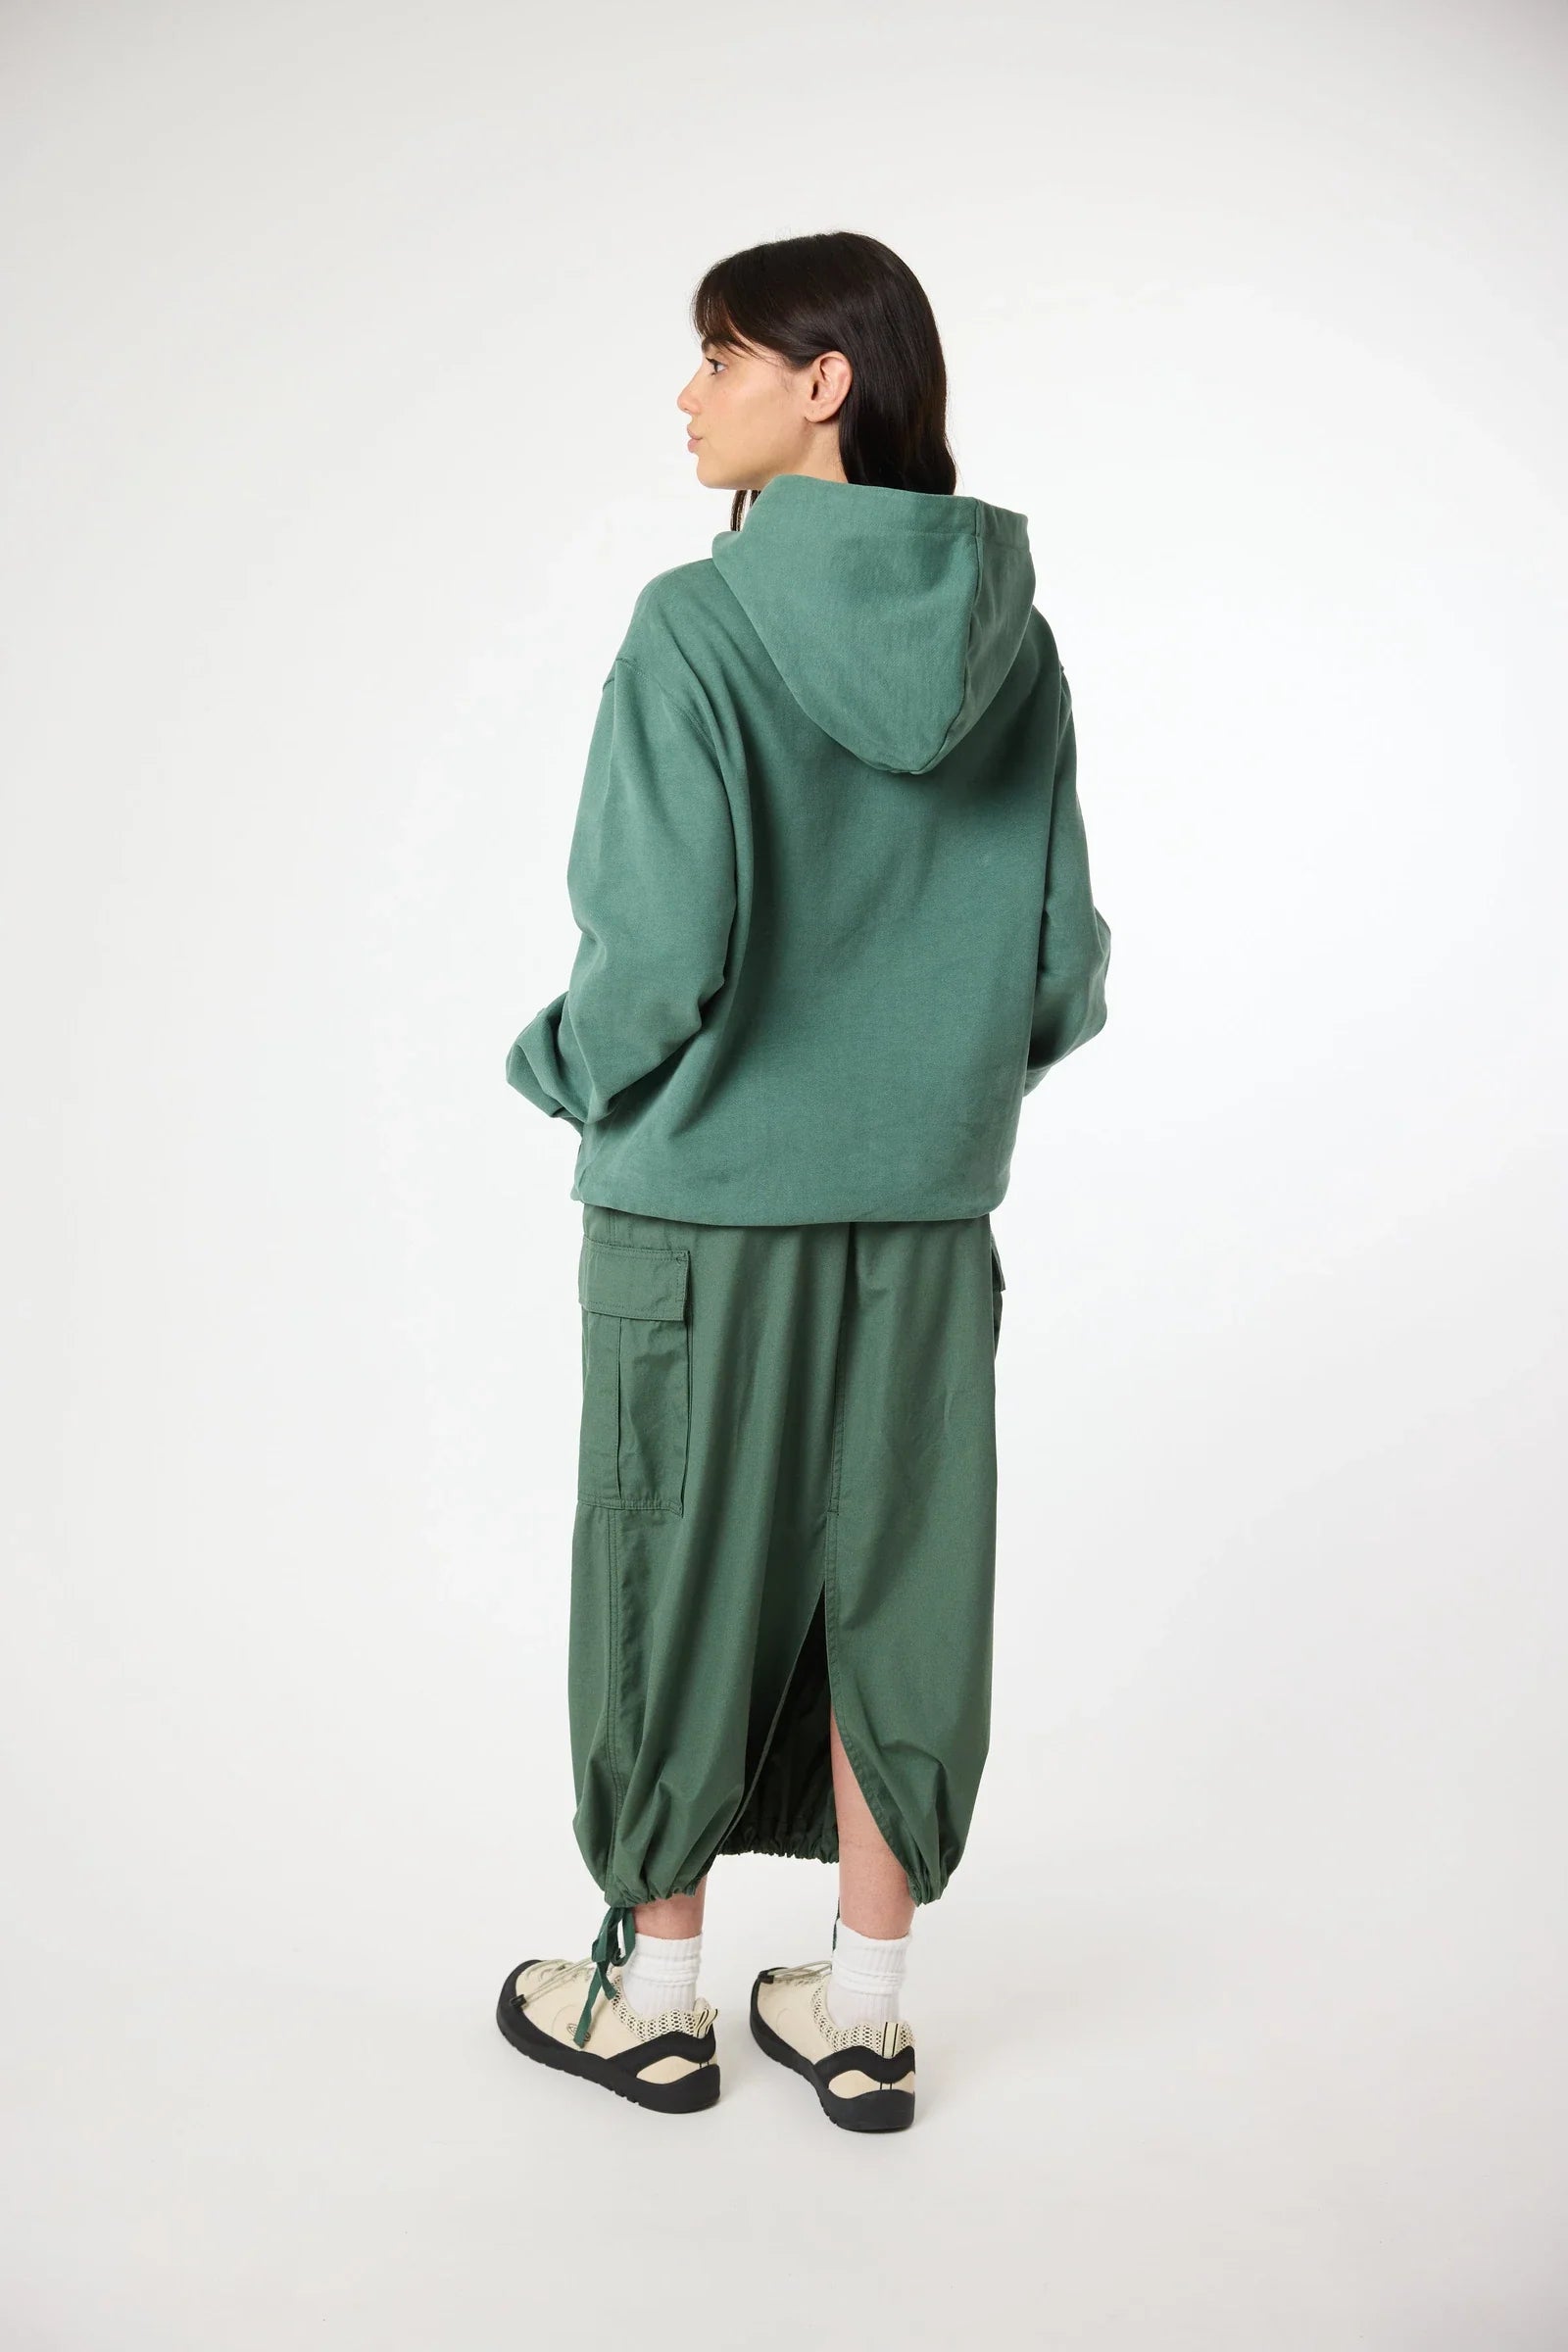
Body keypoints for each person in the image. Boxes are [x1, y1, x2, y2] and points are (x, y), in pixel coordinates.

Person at [494, 229, 1111, 2132]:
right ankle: (862, 2010)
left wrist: (560, 1069)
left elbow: (656, 957)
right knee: (901, 1578)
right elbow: (1060, 967)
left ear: (821, 383)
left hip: (701, 1207)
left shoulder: (698, 624)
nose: (689, 393)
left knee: (674, 1565)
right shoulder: (1012, 643)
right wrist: (921, 1102)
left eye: (719, 355)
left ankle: (653, 1997)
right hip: (925, 1212)